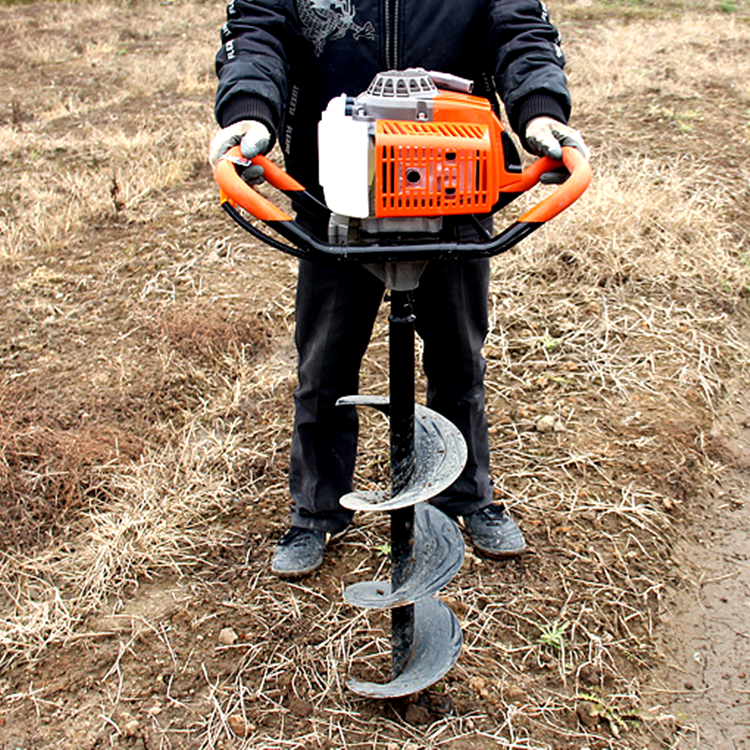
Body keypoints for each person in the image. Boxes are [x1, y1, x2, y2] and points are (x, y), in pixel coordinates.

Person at [209, 0, 589, 577]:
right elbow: (259, 33)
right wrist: (250, 114)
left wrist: (539, 114)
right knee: (324, 366)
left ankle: (465, 497)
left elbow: (520, 29)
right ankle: (315, 513)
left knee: (459, 360)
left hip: (455, 181)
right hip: (333, 193)